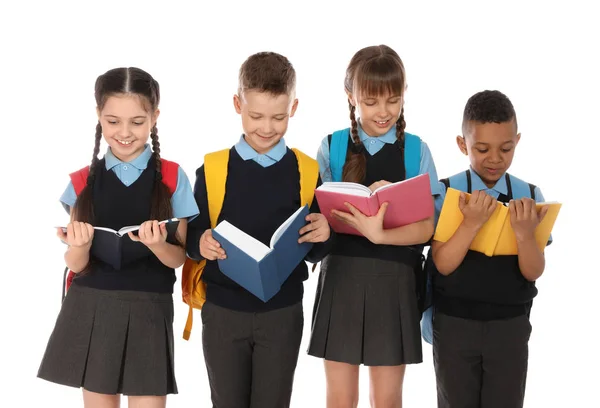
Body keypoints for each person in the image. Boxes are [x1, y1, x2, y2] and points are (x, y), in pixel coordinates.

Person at [37, 67, 199, 408]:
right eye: (113, 121)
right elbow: (75, 264)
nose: (124, 132)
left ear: (155, 117)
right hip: (92, 306)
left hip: (149, 309)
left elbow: (179, 257)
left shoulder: (172, 177)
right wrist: (78, 246)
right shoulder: (82, 182)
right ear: (98, 116)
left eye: (137, 122)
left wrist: (157, 244)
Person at [185, 51, 334, 408]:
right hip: (223, 312)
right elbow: (191, 235)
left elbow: (314, 248)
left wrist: (325, 234)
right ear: (237, 104)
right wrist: (200, 242)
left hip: (282, 314)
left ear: (293, 108)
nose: (266, 128)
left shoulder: (308, 169)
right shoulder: (213, 168)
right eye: (256, 116)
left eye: (278, 117)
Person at [307, 44, 441, 408]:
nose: (383, 112)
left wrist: (380, 233)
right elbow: (319, 212)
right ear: (350, 97)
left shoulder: (416, 150)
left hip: (396, 280)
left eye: (392, 100)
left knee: (387, 400)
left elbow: (428, 228)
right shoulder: (332, 146)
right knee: (339, 399)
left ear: (404, 95)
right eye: (370, 102)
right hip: (342, 278)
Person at [429, 90, 551, 408]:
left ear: (517, 141)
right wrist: (469, 225)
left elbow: (534, 270)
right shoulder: (446, 191)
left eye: (506, 148)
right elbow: (442, 264)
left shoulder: (530, 195)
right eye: (482, 149)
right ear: (462, 145)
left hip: (509, 327)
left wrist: (525, 234)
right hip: (455, 324)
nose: (495, 158)